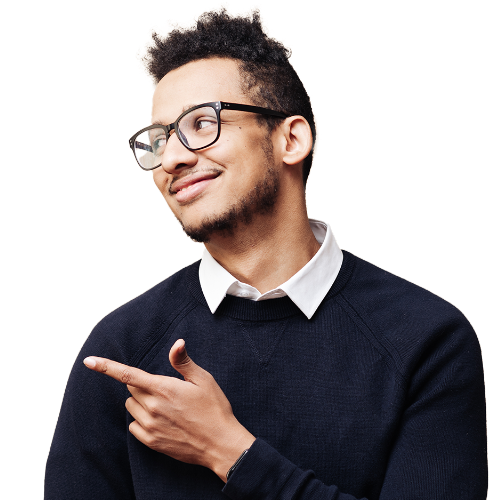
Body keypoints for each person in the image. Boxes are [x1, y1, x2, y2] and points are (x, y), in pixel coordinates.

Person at [44, 3, 488, 499]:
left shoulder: (427, 338)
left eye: (201, 123)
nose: (171, 159)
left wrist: (229, 452)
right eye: (158, 140)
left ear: (291, 138)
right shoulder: (121, 350)